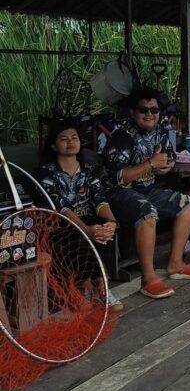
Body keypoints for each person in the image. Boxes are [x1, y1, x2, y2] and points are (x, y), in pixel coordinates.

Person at [103, 89, 190, 299]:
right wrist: (150, 164)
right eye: (143, 110)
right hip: (118, 195)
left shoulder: (160, 130)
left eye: (154, 110)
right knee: (147, 211)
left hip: (147, 190)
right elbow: (117, 178)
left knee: (187, 203)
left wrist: (165, 167)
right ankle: (148, 278)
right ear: (133, 112)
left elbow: (168, 157)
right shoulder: (123, 135)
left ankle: (176, 264)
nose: (150, 114)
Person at [37, 119, 123, 311]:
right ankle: (84, 285)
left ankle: (102, 286)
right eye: (64, 139)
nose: (70, 142)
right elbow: (61, 207)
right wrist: (85, 229)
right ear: (53, 145)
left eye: (74, 138)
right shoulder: (46, 173)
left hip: (88, 221)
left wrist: (112, 222)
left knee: (103, 229)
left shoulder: (88, 170)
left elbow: (99, 200)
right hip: (61, 225)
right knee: (80, 234)